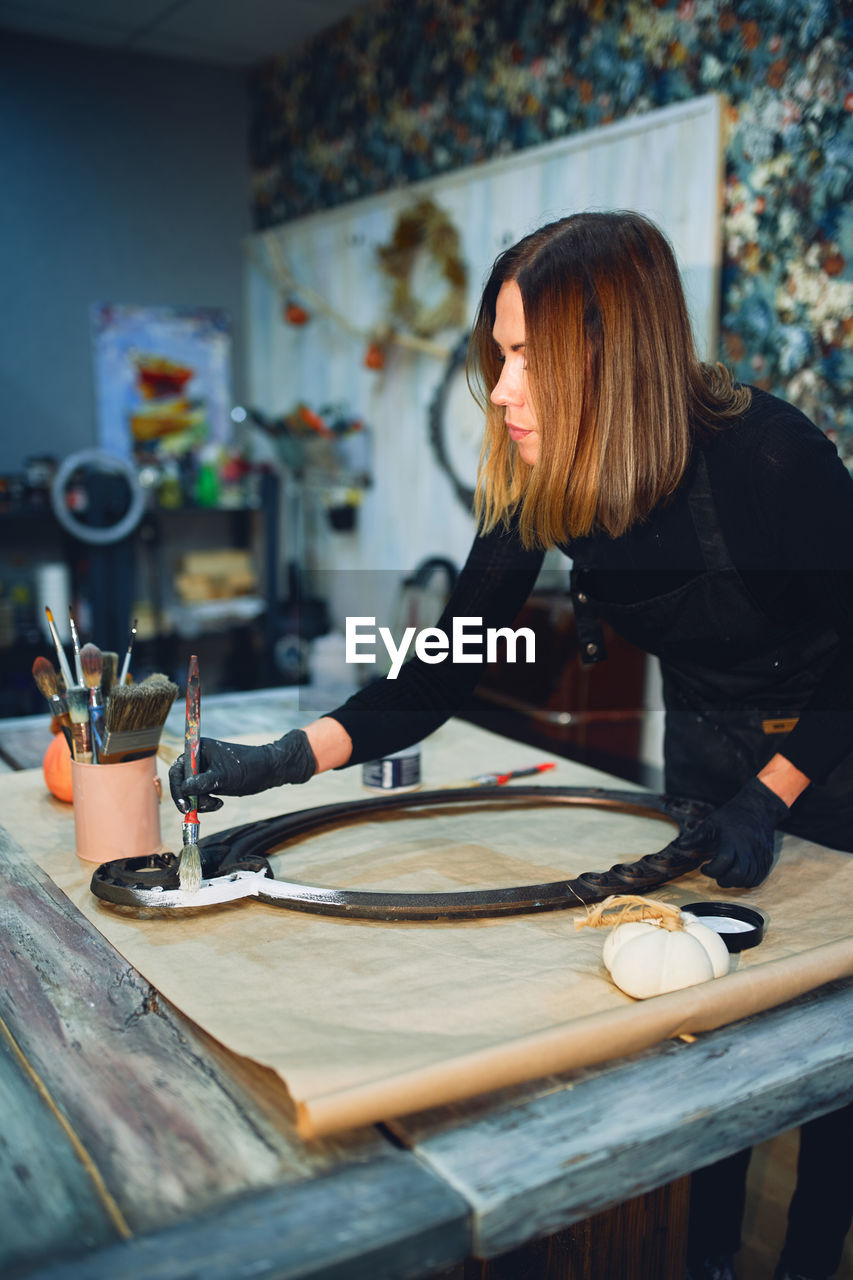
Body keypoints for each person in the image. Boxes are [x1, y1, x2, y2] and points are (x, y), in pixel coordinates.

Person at [170, 211, 853, 1280]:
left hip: (833, 741)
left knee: (832, 1044)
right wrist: (282, 756)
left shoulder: (774, 458)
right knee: (707, 1008)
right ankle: (710, 1254)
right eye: (501, 354)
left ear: (607, 355)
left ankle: (809, 1255)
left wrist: (773, 793)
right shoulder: (551, 482)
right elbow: (435, 670)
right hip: (710, 745)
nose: (500, 388)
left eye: (525, 356)